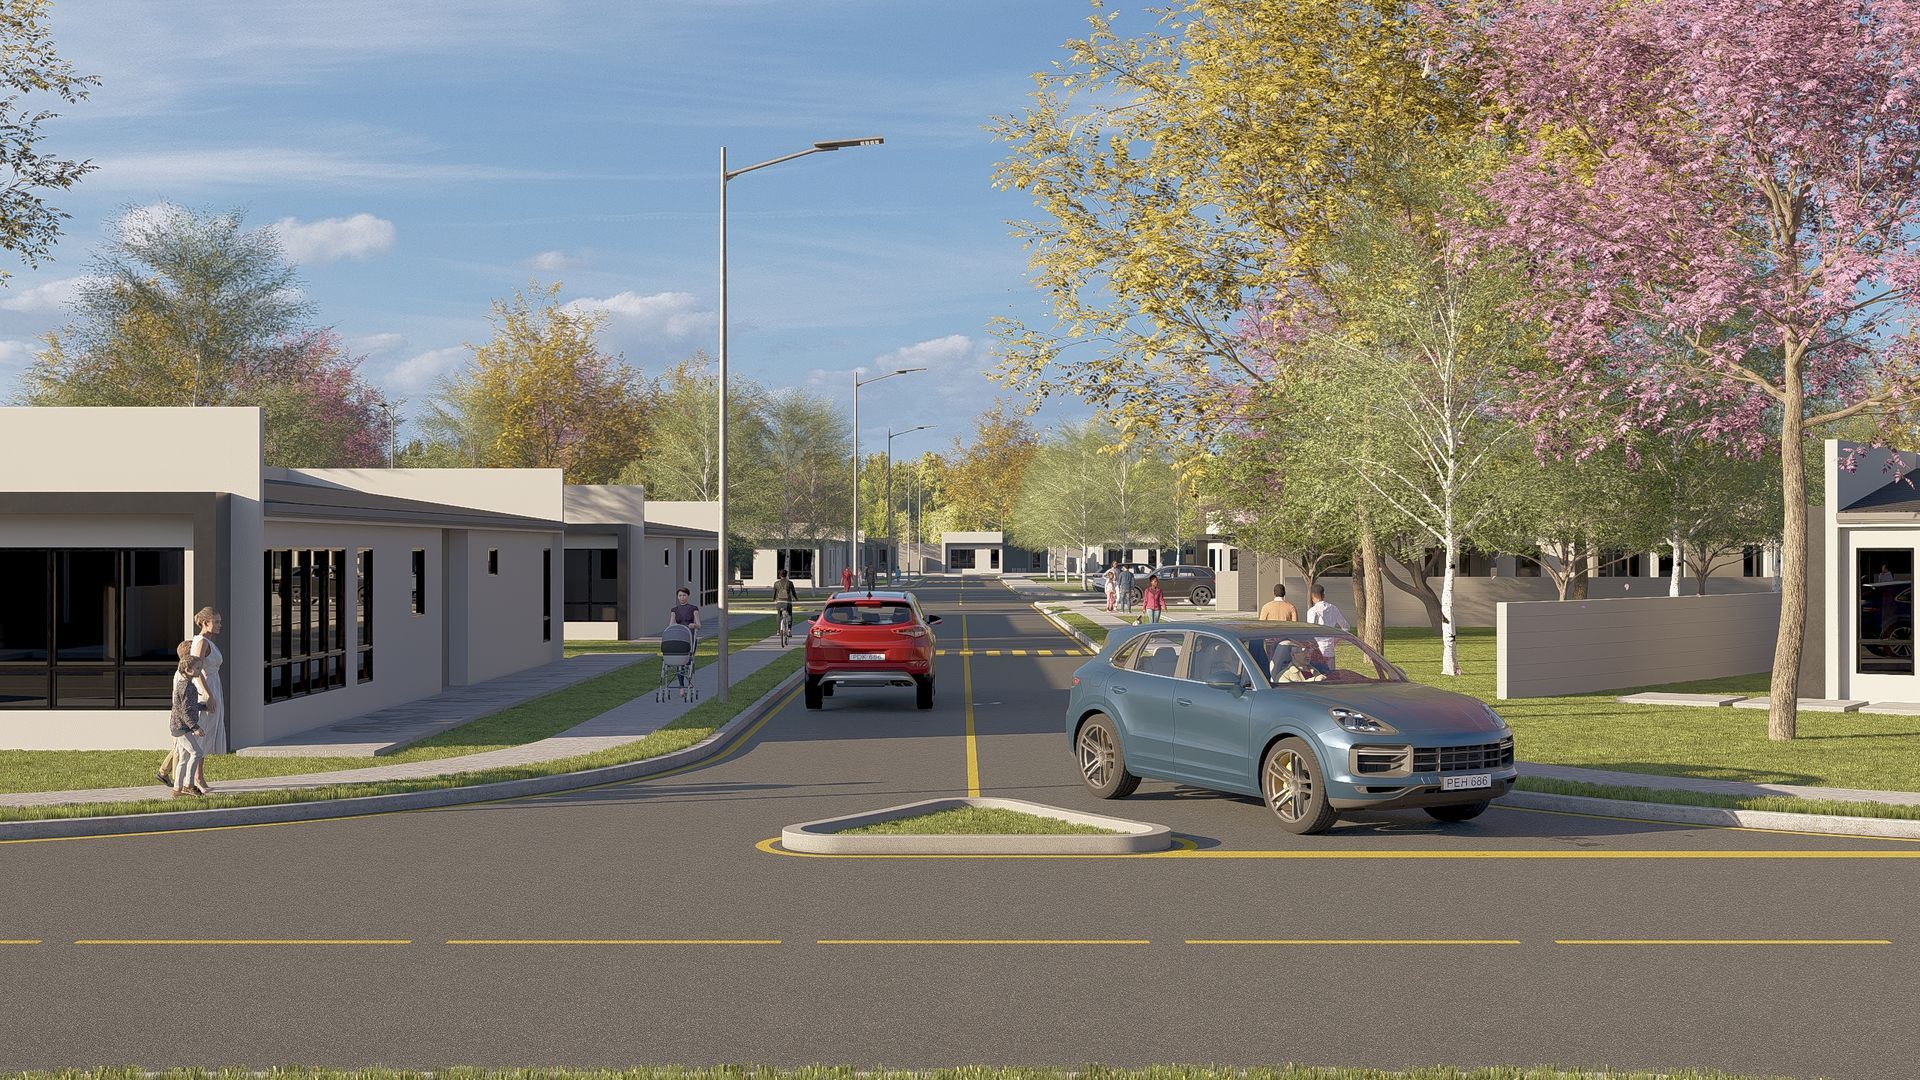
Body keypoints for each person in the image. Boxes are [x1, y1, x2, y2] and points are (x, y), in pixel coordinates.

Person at [186, 608, 225, 773]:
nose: (219, 625)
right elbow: (197, 671)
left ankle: (198, 776)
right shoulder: (201, 642)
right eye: (216, 622)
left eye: (219, 622)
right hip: (206, 688)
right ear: (205, 623)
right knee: (203, 732)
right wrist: (208, 695)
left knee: (208, 732)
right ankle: (196, 777)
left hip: (214, 685)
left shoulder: (209, 642)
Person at [168, 641, 209, 797]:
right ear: (187, 670)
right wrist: (195, 727)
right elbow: (184, 710)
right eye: (198, 668)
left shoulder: (185, 684)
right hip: (182, 727)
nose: (200, 671)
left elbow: (189, 706)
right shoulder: (187, 686)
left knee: (184, 757)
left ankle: (177, 789)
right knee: (197, 753)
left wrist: (202, 706)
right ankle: (188, 785)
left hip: (180, 726)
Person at [1306, 583, 1351, 667]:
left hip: (1316, 651)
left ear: (1312, 596)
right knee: (1331, 676)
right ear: (1324, 595)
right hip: (1330, 651)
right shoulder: (1333, 608)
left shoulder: (1312, 611)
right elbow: (1346, 627)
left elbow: (1310, 632)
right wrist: (1336, 640)